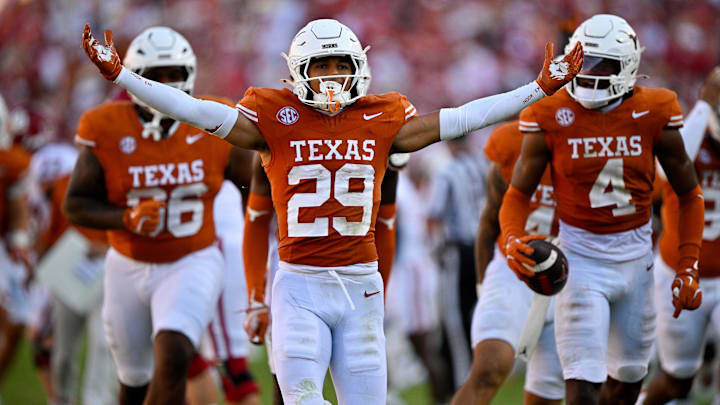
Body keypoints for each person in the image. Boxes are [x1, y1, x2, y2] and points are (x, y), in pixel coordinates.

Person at [81, 18, 583, 404]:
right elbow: (195, 109)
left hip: (360, 286)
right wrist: (124, 76)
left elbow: (463, 118)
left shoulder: (382, 118)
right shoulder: (274, 117)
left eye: (340, 65)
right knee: (300, 398)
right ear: (298, 71)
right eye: (320, 66)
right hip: (298, 283)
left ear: (358, 68)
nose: (331, 76)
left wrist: (536, 90)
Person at [498, 14, 704, 405]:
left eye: (602, 64)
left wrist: (688, 265)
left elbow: (689, 193)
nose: (590, 73)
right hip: (581, 258)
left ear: (627, 65)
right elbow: (517, 194)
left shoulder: (656, 110)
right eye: (584, 61)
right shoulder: (550, 113)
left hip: (637, 260)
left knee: (626, 383)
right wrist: (511, 239)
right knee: (582, 385)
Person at [65, 27, 254, 405]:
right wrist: (127, 218)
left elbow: (257, 188)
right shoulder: (105, 126)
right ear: (135, 77)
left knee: (175, 353)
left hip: (193, 259)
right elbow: (77, 203)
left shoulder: (214, 123)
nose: (166, 85)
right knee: (134, 379)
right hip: (128, 262)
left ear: (190, 74)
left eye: (174, 74)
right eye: (155, 76)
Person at [453, 120, 564, 405]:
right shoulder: (514, 143)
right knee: (489, 369)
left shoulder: (595, 141)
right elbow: (489, 223)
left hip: (569, 277)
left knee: (549, 393)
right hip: (511, 270)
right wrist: (482, 285)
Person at [638, 68, 720, 405]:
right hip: (680, 273)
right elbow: (666, 167)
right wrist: (703, 107)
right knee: (675, 381)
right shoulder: (690, 137)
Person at [426, 136, 487, 385]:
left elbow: (434, 214)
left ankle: (465, 377)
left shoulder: (447, 172)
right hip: (481, 247)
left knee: (455, 317)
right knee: (478, 309)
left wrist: (435, 249)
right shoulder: (480, 166)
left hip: (458, 250)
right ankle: (481, 368)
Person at [0, 92, 34, 385]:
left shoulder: (10, 161)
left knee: (19, 317)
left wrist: (20, 242)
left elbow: (17, 203)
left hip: (2, 245)